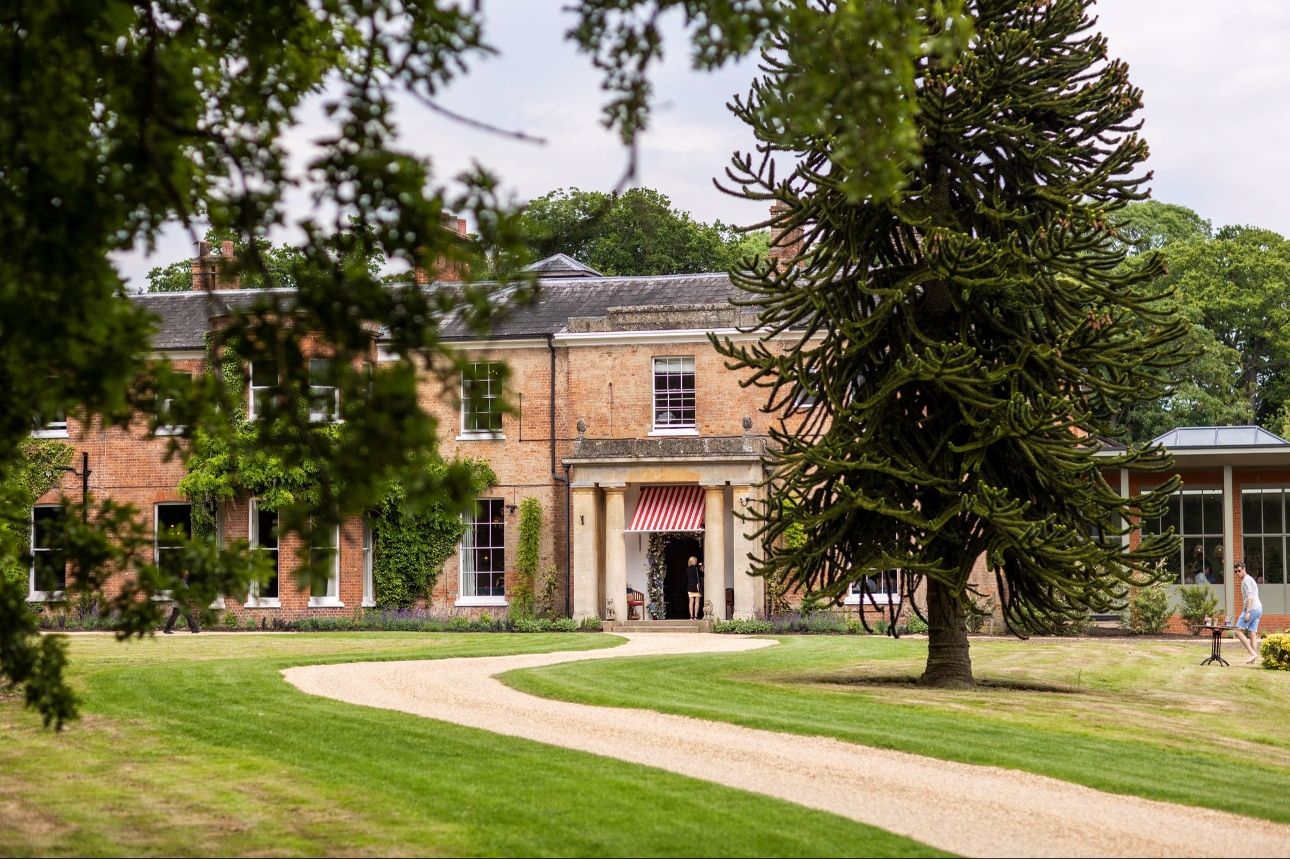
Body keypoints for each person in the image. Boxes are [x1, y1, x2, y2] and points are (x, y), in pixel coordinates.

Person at [1231, 561, 1262, 665]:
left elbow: (1250, 597)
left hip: (1252, 609)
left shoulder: (1246, 580)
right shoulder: (1249, 579)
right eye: (1236, 572)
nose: (1238, 573)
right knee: (1252, 632)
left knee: (1238, 631)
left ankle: (1252, 654)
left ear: (1244, 569)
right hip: (1258, 608)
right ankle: (1254, 660)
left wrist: (1248, 612)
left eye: (1239, 571)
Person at [163, 570, 201, 634]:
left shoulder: (184, 582)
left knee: (188, 616)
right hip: (179, 603)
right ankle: (166, 629)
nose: (187, 576)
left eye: (187, 575)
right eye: (186, 575)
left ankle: (194, 629)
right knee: (174, 616)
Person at [686, 556, 701, 620]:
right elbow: (701, 575)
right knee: (697, 601)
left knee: (691, 602)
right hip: (697, 587)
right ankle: (695, 616)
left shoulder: (687, 569)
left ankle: (691, 616)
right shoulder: (697, 569)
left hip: (690, 586)